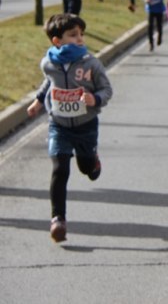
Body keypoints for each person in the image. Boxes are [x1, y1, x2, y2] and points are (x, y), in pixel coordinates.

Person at [26, 14, 113, 243]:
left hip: (86, 126)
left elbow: (106, 89)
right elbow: (49, 82)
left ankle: (93, 161)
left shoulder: (91, 63)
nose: (80, 39)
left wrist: (95, 98)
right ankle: (58, 220)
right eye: (73, 35)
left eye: (81, 34)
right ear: (57, 41)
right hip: (59, 125)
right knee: (60, 168)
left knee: (86, 168)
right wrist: (37, 102)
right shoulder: (49, 63)